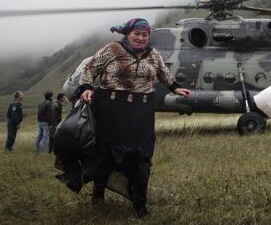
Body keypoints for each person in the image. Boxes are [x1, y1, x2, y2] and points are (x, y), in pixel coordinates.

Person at [78, 18, 191, 218]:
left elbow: (164, 74)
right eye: (136, 34)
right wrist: (86, 88)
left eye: (144, 35)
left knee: (142, 156)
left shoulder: (153, 55)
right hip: (111, 110)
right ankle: (98, 194)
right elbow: (90, 69)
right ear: (128, 34)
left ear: (148, 36)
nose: (140, 38)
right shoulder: (112, 49)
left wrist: (176, 87)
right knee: (106, 153)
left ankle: (140, 205)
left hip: (142, 112)